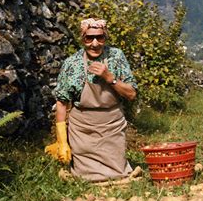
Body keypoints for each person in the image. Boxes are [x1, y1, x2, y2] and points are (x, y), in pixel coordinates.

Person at [45, 18, 137, 182]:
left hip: (112, 127)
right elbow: (61, 102)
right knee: (84, 177)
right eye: (89, 38)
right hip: (83, 130)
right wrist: (62, 141)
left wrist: (110, 78)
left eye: (100, 37)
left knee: (117, 174)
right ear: (82, 38)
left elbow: (131, 94)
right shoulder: (71, 64)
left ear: (105, 37)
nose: (95, 43)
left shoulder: (116, 57)